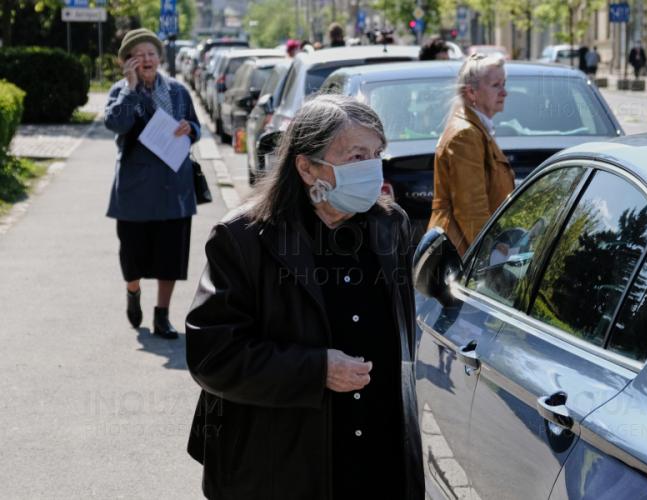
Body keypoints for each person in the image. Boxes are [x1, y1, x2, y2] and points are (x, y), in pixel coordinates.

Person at [185, 94, 424, 499]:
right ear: (307, 168)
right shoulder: (245, 238)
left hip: (379, 458)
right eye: (354, 156)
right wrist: (315, 370)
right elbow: (213, 356)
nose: (370, 167)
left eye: (376, 154)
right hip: (285, 463)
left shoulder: (389, 225)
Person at [104, 28, 200, 339]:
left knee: (169, 256)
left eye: (151, 53)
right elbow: (116, 123)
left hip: (174, 187)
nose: (147, 59)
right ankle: (133, 290)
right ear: (128, 61)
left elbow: (196, 125)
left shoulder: (177, 91)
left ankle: (162, 315)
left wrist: (191, 128)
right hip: (135, 191)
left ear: (159, 58)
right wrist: (131, 89)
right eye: (139, 54)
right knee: (132, 255)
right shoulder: (121, 91)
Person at [428, 53, 515, 255]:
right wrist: (490, 255)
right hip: (463, 252)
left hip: (465, 248)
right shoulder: (466, 135)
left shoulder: (475, 128)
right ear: (471, 93)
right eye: (496, 85)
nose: (505, 93)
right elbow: (471, 210)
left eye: (504, 84)